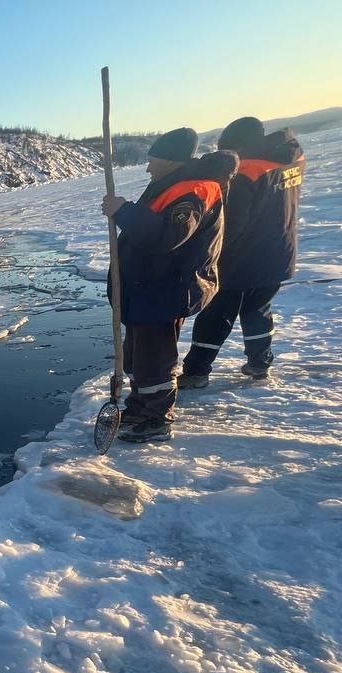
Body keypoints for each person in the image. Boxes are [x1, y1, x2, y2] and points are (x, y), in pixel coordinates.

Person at [101, 128, 237, 442]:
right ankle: (140, 408)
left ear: (172, 161)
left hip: (164, 289)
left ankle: (156, 420)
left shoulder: (193, 192)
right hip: (148, 287)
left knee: (154, 360)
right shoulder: (173, 185)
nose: (148, 168)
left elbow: (167, 236)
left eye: (153, 160)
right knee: (138, 356)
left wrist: (124, 211)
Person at [179, 117, 305, 386]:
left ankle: (196, 371)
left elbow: (232, 222)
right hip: (279, 252)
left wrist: (209, 251)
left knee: (216, 312)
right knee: (257, 308)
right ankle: (260, 363)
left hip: (243, 257)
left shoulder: (246, 170)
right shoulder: (289, 159)